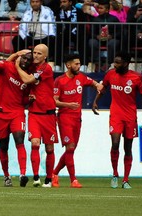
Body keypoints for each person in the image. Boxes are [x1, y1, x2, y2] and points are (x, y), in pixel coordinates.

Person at [92, 51, 142, 189]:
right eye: (114, 62)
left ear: (126, 63)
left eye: (117, 62)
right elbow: (103, 88)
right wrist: (95, 101)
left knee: (127, 148)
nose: (114, 64)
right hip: (116, 115)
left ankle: (125, 180)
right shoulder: (110, 74)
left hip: (130, 116)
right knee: (115, 143)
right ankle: (115, 175)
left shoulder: (137, 77)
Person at [52, 53, 103, 188]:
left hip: (77, 119)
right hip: (64, 118)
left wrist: (97, 85)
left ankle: (54, 173)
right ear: (68, 65)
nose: (79, 66)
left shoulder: (81, 77)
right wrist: (68, 105)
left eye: (80, 64)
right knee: (70, 147)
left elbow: (91, 82)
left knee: (71, 150)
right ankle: (73, 180)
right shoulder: (59, 80)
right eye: (76, 64)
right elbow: (54, 101)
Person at [0, 50, 33, 187]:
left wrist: (29, 100)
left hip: (17, 112)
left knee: (20, 141)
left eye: (29, 60)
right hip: (1, 113)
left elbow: (24, 99)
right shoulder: (7, 67)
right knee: (3, 146)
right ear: (19, 58)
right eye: (24, 58)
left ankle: (23, 174)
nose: (26, 61)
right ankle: (6, 176)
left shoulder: (28, 78)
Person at [15, 44, 58, 188]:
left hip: (49, 113)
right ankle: (36, 177)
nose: (36, 55)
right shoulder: (30, 67)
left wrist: (17, 67)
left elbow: (28, 80)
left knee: (49, 148)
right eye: (34, 52)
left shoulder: (46, 68)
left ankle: (49, 178)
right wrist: (17, 55)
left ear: (45, 56)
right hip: (34, 113)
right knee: (35, 143)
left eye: (39, 53)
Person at [54, 0, 87, 71]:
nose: (62, 4)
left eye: (64, 2)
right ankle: (58, 65)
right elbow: (58, 26)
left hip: (76, 34)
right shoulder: (59, 12)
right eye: (61, 2)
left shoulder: (79, 12)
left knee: (83, 40)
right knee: (58, 40)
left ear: (70, 2)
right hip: (64, 34)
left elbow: (82, 26)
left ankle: (83, 64)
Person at [88, 0, 121, 72]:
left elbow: (119, 32)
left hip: (110, 39)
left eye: (101, 8)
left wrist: (111, 36)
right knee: (92, 42)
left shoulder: (114, 19)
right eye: (98, 8)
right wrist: (97, 36)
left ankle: (108, 63)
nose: (99, 10)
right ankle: (97, 62)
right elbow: (91, 32)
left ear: (107, 10)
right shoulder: (95, 20)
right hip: (98, 39)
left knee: (113, 43)